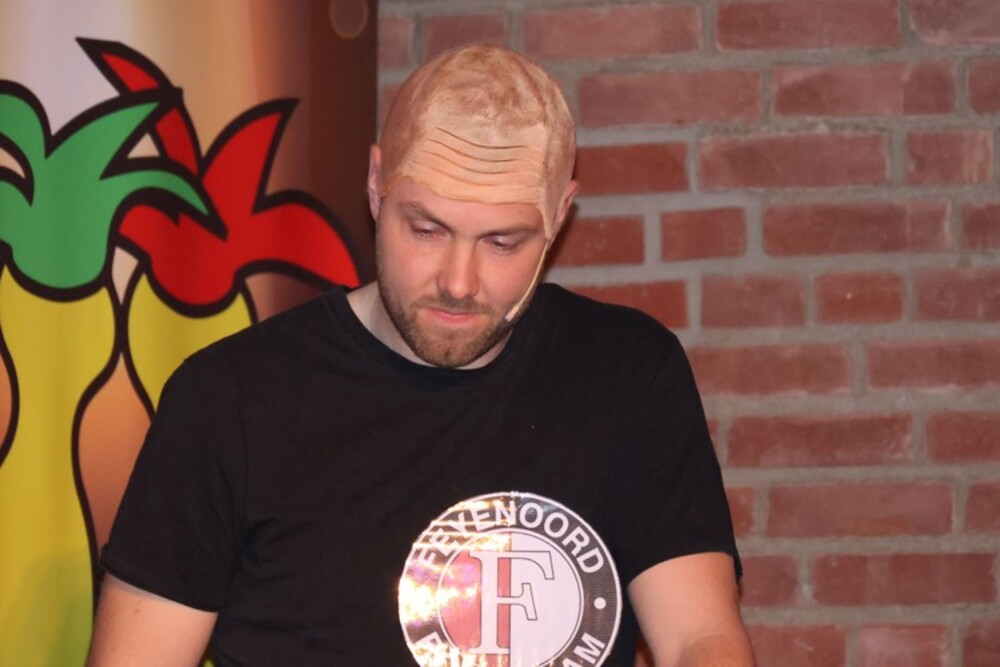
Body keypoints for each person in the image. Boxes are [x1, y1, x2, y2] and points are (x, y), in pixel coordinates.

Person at [87, 44, 754, 666]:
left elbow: (698, 637)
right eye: (427, 229)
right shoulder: (230, 399)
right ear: (377, 184)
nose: (459, 282)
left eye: (502, 242)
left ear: (559, 216)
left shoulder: (629, 374)